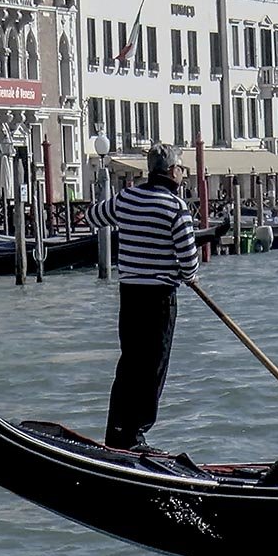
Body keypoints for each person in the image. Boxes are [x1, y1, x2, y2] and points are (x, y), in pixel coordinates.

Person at [85, 143, 199, 453]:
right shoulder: (176, 208)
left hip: (130, 296)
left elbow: (93, 216)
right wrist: (188, 276)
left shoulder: (127, 198)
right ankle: (135, 436)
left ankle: (117, 432)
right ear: (172, 171)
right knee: (153, 368)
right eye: (182, 169)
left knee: (130, 364)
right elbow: (189, 261)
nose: (184, 174)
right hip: (160, 298)